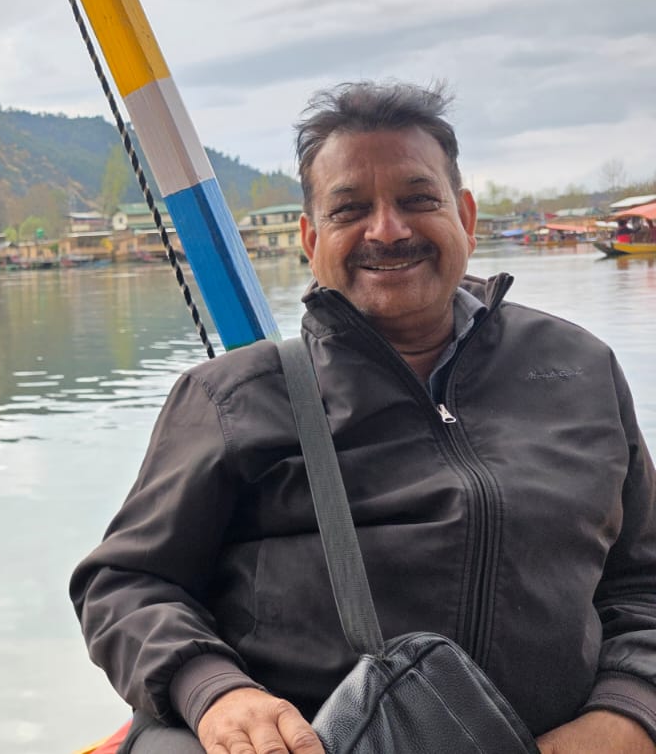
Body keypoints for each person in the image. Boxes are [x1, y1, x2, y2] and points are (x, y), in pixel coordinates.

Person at [71, 81, 656, 754]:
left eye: (418, 200)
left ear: (465, 216)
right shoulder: (233, 397)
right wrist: (216, 690)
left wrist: (627, 711)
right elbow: (126, 584)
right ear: (311, 238)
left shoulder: (578, 368)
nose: (388, 230)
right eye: (350, 209)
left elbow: (642, 579)